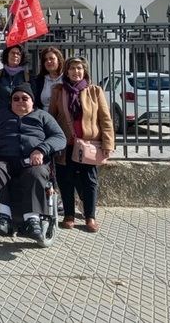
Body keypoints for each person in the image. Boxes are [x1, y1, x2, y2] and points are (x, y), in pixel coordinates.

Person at [0, 83, 66, 241]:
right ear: (11, 101)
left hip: (33, 162)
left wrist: (41, 149)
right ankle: (3, 217)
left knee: (36, 172)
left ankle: (32, 220)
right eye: (16, 98)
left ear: (32, 101)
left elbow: (60, 138)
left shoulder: (43, 116)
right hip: (5, 159)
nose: (20, 101)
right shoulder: (1, 115)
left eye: (24, 98)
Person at [49, 56, 114, 233]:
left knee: (89, 180)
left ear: (85, 71)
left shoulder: (95, 91)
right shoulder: (59, 90)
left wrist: (108, 143)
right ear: (67, 71)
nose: (76, 72)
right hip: (65, 144)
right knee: (65, 179)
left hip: (89, 144)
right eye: (72, 68)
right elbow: (52, 118)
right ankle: (69, 215)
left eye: (79, 68)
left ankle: (89, 217)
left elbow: (105, 119)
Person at [0, 44, 34, 116]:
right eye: (12, 53)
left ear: (21, 58)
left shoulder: (27, 77)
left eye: (18, 54)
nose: (15, 55)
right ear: (7, 55)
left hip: (20, 117)